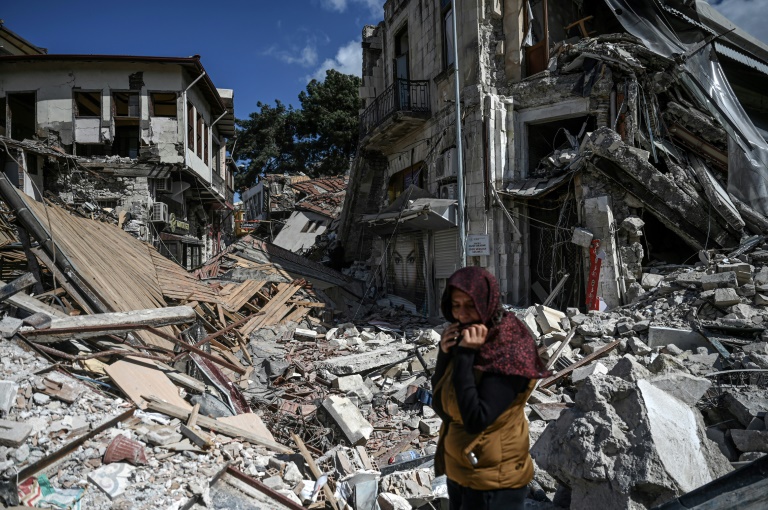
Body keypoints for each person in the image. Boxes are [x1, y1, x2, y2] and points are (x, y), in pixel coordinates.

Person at [431, 266, 550, 510]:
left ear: (487, 302)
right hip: (462, 469)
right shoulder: (468, 337)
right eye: (455, 305)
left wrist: (464, 356)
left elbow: (476, 420)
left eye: (470, 305)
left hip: (494, 479)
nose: (462, 315)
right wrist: (445, 355)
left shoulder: (508, 346)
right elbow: (442, 406)